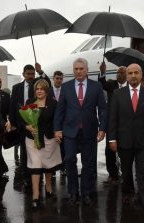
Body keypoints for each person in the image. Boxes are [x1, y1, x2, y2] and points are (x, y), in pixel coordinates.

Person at [108, 63, 144, 215]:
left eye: (136, 73)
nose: (133, 75)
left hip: (143, 141)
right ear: (126, 75)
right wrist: (112, 139)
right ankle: (128, 194)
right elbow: (113, 118)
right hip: (124, 140)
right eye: (130, 73)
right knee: (126, 172)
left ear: (141, 75)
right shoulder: (118, 94)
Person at [54, 58, 107, 206]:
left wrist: (102, 128)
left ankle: (86, 193)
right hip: (70, 131)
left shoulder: (96, 87)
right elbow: (60, 110)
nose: (78, 71)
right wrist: (57, 129)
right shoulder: (66, 87)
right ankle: (73, 191)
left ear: (87, 70)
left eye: (81, 69)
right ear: (73, 70)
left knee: (88, 163)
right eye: (76, 69)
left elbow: (103, 109)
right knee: (70, 160)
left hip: (90, 131)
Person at [9, 63, 51, 189]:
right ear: (23, 74)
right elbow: (12, 106)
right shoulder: (16, 87)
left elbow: (47, 81)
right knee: (25, 154)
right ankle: (27, 179)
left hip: (38, 124)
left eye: (33, 74)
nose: (31, 76)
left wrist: (40, 71)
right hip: (23, 125)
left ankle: (39, 179)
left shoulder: (38, 84)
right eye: (28, 74)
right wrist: (12, 122)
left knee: (40, 152)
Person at [24, 79, 62, 208]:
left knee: (48, 164)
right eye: (37, 89)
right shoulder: (29, 102)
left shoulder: (53, 103)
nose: (39, 91)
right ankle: (36, 195)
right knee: (35, 164)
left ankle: (48, 186)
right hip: (32, 139)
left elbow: (57, 119)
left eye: (42, 89)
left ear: (46, 90)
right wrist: (27, 126)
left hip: (49, 138)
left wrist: (58, 132)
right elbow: (23, 119)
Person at [98, 63, 127, 185]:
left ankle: (126, 175)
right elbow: (102, 83)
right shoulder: (111, 84)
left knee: (125, 151)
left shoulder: (130, 87)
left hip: (125, 126)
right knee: (109, 151)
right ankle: (112, 175)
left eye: (122, 73)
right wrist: (102, 72)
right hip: (112, 125)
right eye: (118, 73)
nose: (119, 75)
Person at [49, 70, 66, 177]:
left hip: (64, 123)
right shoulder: (48, 91)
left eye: (60, 78)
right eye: (57, 78)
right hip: (51, 123)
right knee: (52, 147)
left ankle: (63, 168)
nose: (59, 80)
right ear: (53, 79)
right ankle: (53, 169)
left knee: (63, 147)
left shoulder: (66, 90)